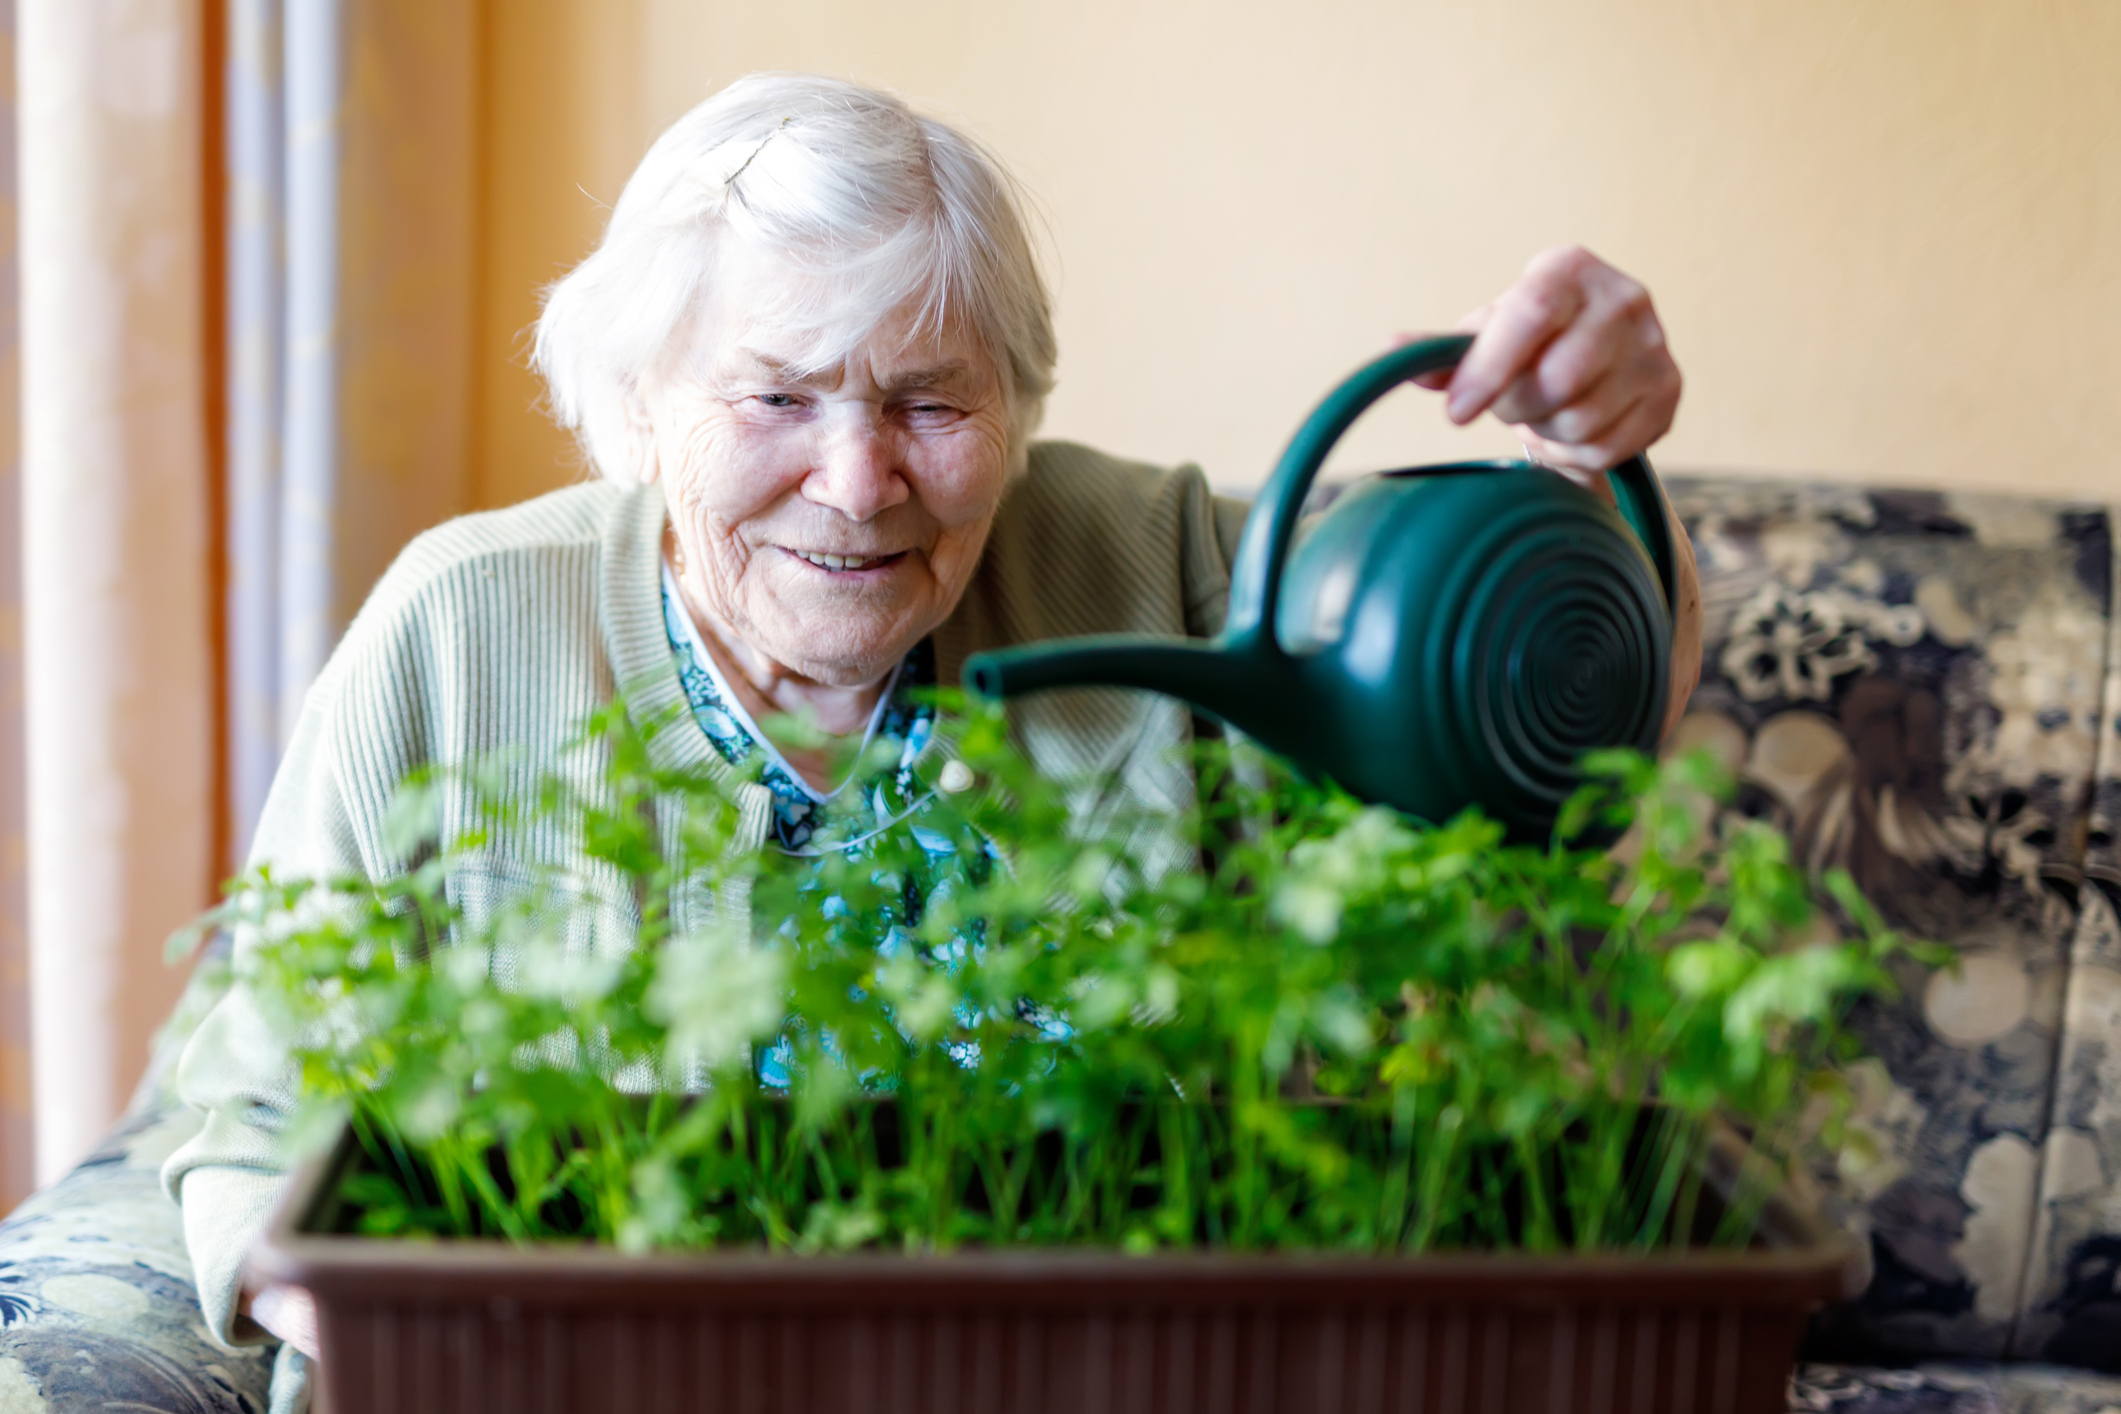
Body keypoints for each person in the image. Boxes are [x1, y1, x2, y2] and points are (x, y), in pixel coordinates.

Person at [164, 72, 1703, 1405]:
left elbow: (1556, 698)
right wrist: (422, 1332)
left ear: (1016, 409)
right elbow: (248, 1108)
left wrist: (1587, 453)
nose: (857, 478)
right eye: (774, 395)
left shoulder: (1156, 562)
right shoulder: (459, 627)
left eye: (926, 401)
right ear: (639, 409)